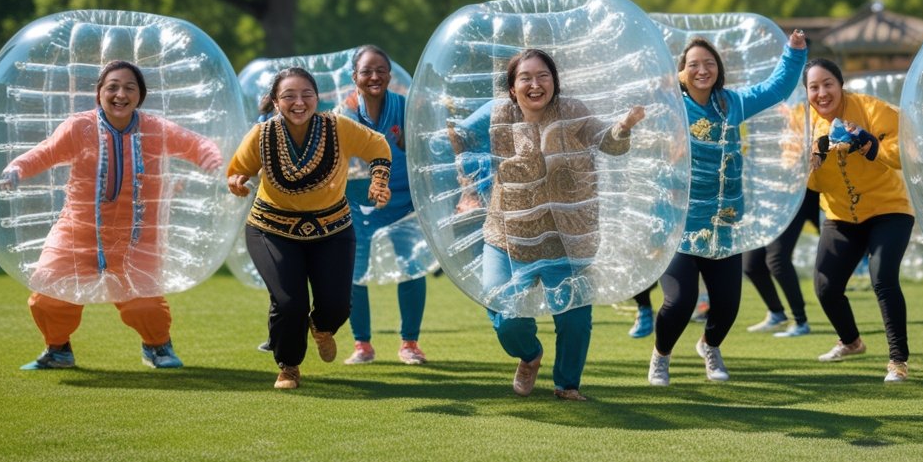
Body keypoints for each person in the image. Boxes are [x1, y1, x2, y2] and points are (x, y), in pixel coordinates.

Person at [0, 61, 224, 370]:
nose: (121, 94)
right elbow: (46, 152)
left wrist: (212, 160)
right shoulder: (80, 127)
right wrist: (17, 169)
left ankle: (157, 346)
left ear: (140, 96)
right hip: (78, 231)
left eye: (130, 88)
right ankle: (58, 349)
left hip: (136, 235)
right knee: (49, 293)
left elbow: (196, 143)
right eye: (113, 87)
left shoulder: (155, 129)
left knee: (144, 302)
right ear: (99, 93)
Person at [450, 49, 644, 401]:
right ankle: (529, 355)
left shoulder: (572, 111)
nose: (535, 84)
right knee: (504, 313)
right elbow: (458, 135)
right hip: (509, 232)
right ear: (512, 87)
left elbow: (607, 142)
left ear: (555, 81)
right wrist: (470, 186)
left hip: (565, 233)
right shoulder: (496, 113)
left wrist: (624, 126)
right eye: (525, 78)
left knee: (573, 317)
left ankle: (567, 384)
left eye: (543, 76)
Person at [648, 29, 807, 386]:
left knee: (727, 305)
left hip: (722, 223)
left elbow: (776, 89)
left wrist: (794, 53)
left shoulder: (731, 103)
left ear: (719, 68)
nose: (702, 70)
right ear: (681, 72)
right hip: (679, 224)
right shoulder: (668, 103)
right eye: (693, 65)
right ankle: (661, 356)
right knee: (679, 301)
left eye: (709, 63)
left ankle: (709, 346)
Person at [228, 67, 393, 390]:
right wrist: (236, 181)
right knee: (290, 303)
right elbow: (238, 169)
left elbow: (378, 146)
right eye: (289, 96)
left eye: (306, 95)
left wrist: (379, 180)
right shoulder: (261, 135)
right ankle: (288, 365)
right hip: (270, 228)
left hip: (332, 228)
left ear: (318, 98)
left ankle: (321, 327)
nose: (299, 102)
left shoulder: (339, 126)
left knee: (337, 306)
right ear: (276, 102)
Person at [802, 58, 914, 383]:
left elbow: (904, 150)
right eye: (814, 87)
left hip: (889, 209)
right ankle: (851, 342)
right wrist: (814, 163)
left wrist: (870, 144)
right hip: (840, 215)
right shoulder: (805, 125)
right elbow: (808, 184)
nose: (822, 93)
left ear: (841, 85)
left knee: (883, 279)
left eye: (828, 84)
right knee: (825, 287)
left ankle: (898, 361)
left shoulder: (870, 108)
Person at [339, 45, 429, 366]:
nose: (374, 76)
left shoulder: (406, 108)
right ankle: (362, 344)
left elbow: (422, 151)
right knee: (354, 272)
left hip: (404, 201)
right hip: (359, 204)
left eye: (380, 71)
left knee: (412, 268)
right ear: (355, 77)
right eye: (366, 71)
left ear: (390, 75)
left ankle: (410, 343)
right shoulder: (344, 113)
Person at [743, 188, 819, 337]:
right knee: (751, 265)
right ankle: (776, 313)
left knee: (777, 260)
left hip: (799, 196)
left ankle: (800, 321)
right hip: (768, 200)